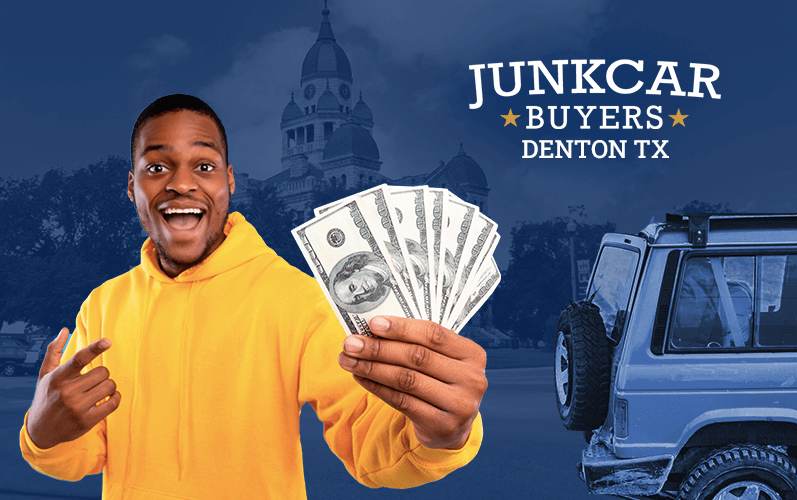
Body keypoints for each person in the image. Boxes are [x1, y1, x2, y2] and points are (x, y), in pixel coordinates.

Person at [20, 94, 487, 499]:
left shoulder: (300, 300)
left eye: (203, 166)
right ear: (132, 186)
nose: (181, 183)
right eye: (157, 167)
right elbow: (80, 453)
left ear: (230, 182)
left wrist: (438, 433)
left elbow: (372, 445)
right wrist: (41, 432)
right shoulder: (104, 304)